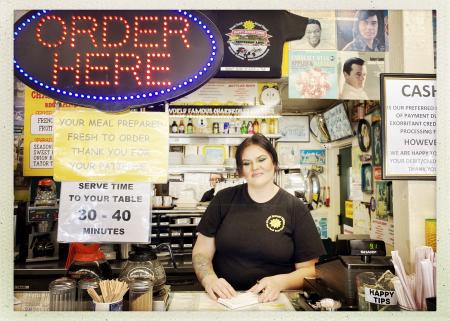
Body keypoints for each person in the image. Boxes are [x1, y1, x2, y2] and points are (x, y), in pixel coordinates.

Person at [192, 134, 325, 302]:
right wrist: (209, 279)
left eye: (261, 159)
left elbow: (309, 270)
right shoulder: (223, 200)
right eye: (247, 163)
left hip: (275, 301)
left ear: (274, 162)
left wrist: (279, 282)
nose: (255, 167)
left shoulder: (295, 208)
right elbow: (201, 251)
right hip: (224, 300)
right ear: (241, 171)